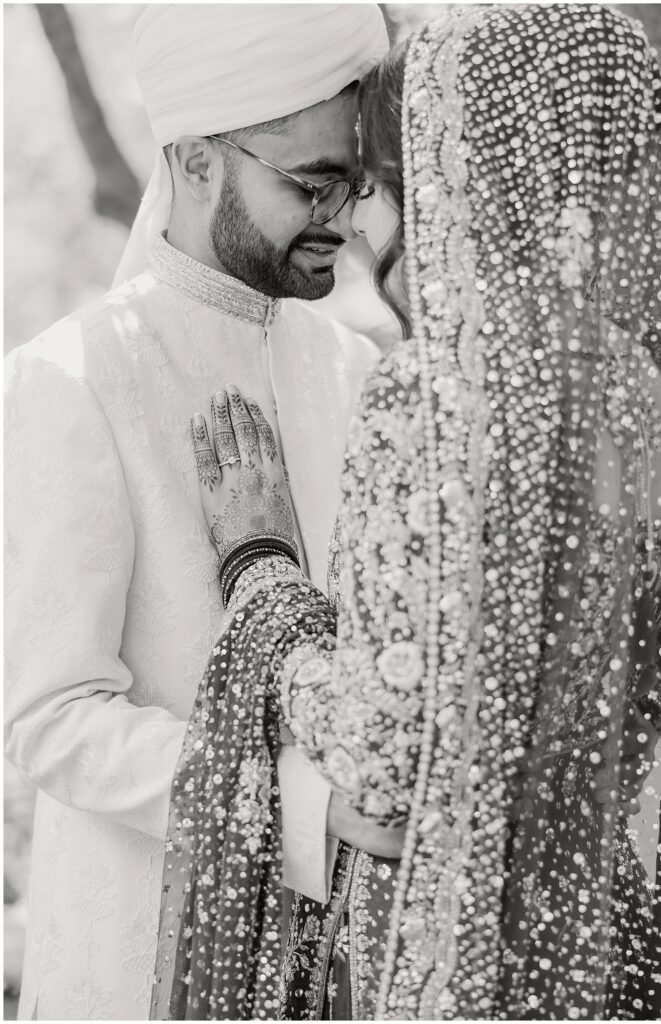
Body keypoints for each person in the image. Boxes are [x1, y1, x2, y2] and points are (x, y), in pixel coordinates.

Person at [158, 4, 661, 1020]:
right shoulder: (643, 386)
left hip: (451, 938)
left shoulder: (434, 394)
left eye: (382, 185)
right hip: (606, 921)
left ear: (463, 175)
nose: (358, 221)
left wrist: (262, 576)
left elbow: (382, 748)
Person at [4, 5, 394, 1018]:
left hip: (344, 968)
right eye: (309, 184)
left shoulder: (360, 375)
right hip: (141, 959)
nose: (345, 219)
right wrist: (304, 814)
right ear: (195, 160)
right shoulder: (74, 377)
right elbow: (51, 718)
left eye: (354, 183)